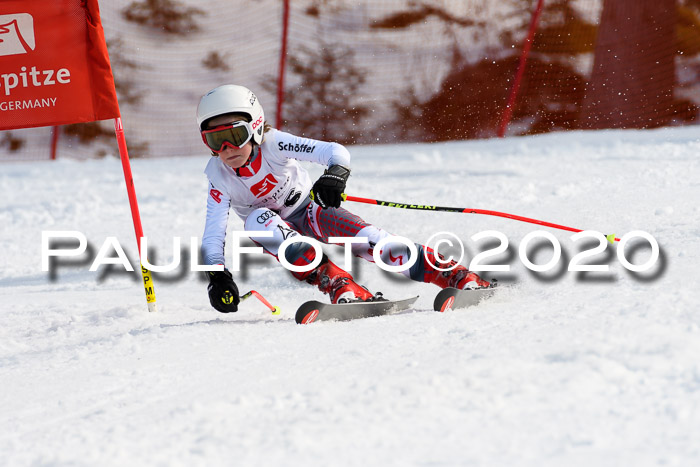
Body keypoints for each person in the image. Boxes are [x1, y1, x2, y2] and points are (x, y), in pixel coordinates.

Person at [198, 84, 490, 313]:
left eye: (235, 135)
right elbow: (213, 236)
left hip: (311, 211)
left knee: (371, 240)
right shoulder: (218, 175)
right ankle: (342, 286)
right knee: (257, 221)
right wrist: (217, 277)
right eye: (214, 141)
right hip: (277, 232)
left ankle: (455, 275)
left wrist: (334, 175)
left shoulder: (274, 143)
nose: (226, 149)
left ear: (256, 127)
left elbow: (334, 151)